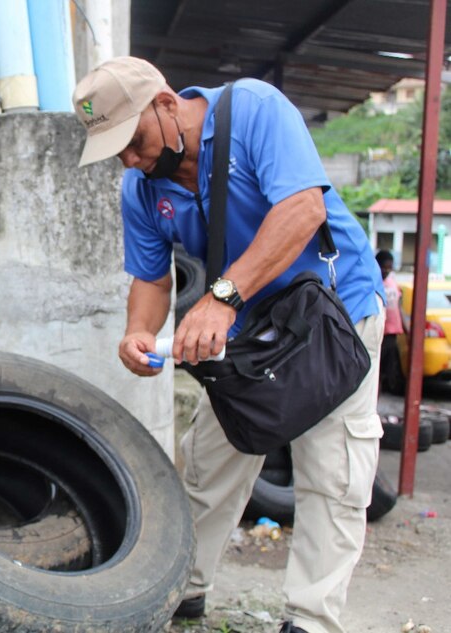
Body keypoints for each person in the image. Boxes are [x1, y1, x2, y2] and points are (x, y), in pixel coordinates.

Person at [72, 57, 385, 633]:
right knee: (209, 462)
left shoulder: (255, 112)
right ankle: (183, 590)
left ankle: (310, 620)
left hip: (331, 316)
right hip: (246, 329)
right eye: (116, 150)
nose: (130, 159)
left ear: (166, 103)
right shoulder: (139, 188)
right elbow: (152, 278)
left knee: (333, 471)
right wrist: (136, 333)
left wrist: (220, 297)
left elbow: (302, 209)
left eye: (134, 140)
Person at [376, 250, 406, 394]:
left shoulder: (392, 284)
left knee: (390, 374)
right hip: (379, 333)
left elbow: (399, 309)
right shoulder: (374, 283)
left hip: (392, 334)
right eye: (384, 267)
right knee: (377, 374)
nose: (387, 271)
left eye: (390, 267)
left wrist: (407, 329)